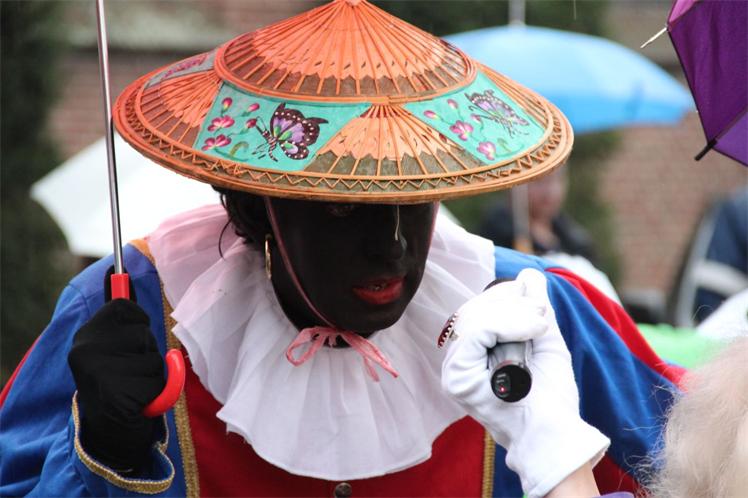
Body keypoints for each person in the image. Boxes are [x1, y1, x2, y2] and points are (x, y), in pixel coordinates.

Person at [0, 1, 683, 496]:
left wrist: (557, 453)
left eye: (415, 198)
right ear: (254, 208)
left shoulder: (534, 316)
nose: (391, 249)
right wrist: (97, 456)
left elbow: (702, 469)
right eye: (343, 206)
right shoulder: (136, 307)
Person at [478, 167, 598, 264]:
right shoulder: (496, 238)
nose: (551, 191)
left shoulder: (574, 240)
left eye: (558, 179)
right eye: (540, 181)